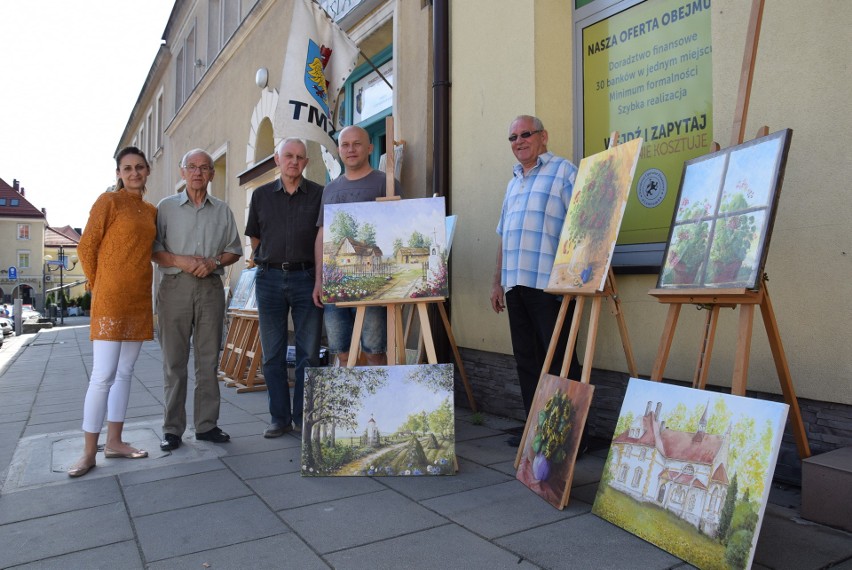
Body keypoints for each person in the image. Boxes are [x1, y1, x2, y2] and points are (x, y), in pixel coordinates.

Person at [490, 115, 582, 444]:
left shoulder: (564, 171)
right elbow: (504, 235)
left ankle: (570, 438)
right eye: (512, 137)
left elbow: (582, 226)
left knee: (559, 359)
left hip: (550, 286)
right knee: (527, 360)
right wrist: (497, 282)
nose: (518, 142)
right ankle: (536, 431)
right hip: (515, 284)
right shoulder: (513, 182)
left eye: (525, 134)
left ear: (543, 136)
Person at [67, 146, 158, 477]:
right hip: (110, 300)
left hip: (137, 300)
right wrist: (97, 284)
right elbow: (86, 245)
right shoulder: (108, 202)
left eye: (139, 167)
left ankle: (115, 441)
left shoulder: (150, 211)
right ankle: (89, 452)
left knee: (125, 372)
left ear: (147, 171)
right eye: (127, 168)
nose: (134, 172)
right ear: (118, 173)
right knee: (102, 374)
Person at [153, 149, 242, 451]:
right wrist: (180, 260)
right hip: (175, 288)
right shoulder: (165, 208)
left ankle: (206, 426)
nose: (198, 173)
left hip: (210, 290)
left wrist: (215, 262)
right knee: (174, 362)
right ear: (182, 172)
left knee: (207, 361)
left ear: (211, 174)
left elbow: (234, 249)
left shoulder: (222, 210)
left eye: (204, 168)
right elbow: (154, 250)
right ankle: (172, 429)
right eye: (191, 167)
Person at [246, 138, 323, 437]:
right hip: (269, 279)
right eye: (288, 155)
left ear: (306, 162)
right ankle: (279, 418)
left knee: (309, 353)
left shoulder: (319, 194)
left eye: (300, 157)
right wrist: (273, 260)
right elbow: (255, 238)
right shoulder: (261, 195)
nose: (294, 161)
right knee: (272, 353)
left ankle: (303, 416)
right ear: (277, 159)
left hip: (307, 278)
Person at [312, 125, 402, 366]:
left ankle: (380, 402)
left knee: (374, 351)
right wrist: (319, 279)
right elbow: (323, 235)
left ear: (370, 147)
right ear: (339, 150)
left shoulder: (386, 183)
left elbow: (396, 232)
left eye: (357, 143)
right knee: (342, 353)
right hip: (336, 285)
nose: (350, 149)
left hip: (373, 287)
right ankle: (354, 404)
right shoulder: (330, 189)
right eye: (345, 145)